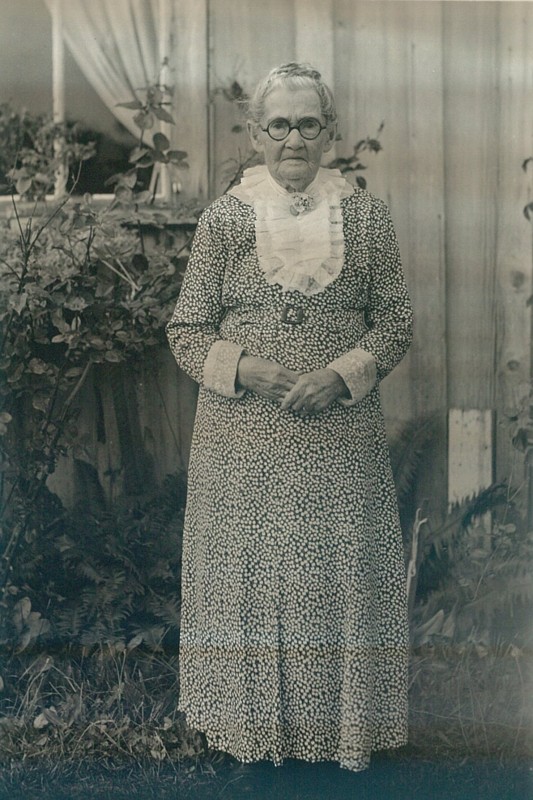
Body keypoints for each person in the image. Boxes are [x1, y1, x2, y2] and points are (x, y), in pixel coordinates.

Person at [166, 62, 413, 772]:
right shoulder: (225, 219)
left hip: (338, 435)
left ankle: (342, 738)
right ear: (255, 134)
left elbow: (394, 324)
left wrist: (342, 376)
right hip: (241, 438)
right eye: (279, 125)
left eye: (309, 124)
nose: (294, 140)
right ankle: (249, 738)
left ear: (329, 132)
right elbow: (185, 331)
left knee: (333, 576)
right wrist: (242, 367)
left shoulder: (366, 218)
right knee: (253, 577)